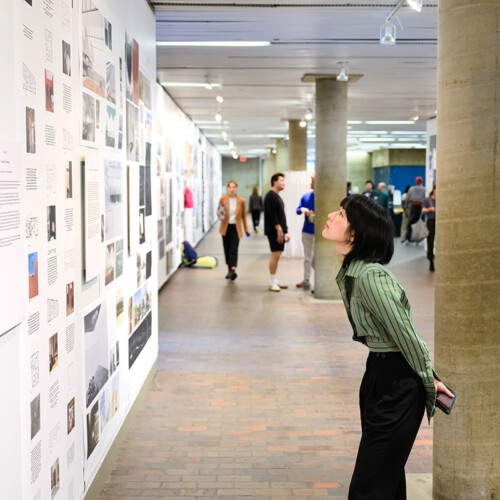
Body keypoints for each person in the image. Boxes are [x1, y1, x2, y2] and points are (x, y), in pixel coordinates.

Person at [322, 194, 453, 500]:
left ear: (355, 233)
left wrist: (429, 381)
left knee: (369, 485)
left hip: (398, 381)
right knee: (386, 476)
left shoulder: (370, 276)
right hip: (379, 374)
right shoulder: (354, 271)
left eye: (341, 214)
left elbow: (406, 334)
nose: (330, 216)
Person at [216, 180, 250, 281]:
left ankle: (233, 270)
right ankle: (229, 270)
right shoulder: (223, 198)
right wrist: (218, 213)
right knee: (227, 249)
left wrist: (246, 229)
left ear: (236, 188)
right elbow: (219, 211)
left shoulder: (241, 200)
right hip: (225, 227)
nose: (232, 189)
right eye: (230, 187)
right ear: (227, 188)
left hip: (236, 227)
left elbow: (244, 216)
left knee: (234, 249)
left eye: (233, 187)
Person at [264, 173, 290, 292]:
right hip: (274, 231)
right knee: (275, 254)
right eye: (281, 180)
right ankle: (271, 281)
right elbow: (271, 215)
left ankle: (274, 280)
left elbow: (281, 215)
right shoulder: (270, 196)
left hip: (280, 230)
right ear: (274, 182)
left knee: (278, 254)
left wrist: (286, 230)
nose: (283, 183)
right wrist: (279, 229)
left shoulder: (277, 196)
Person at [296, 174, 315, 289]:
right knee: (307, 257)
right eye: (311, 181)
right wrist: (302, 209)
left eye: (313, 182)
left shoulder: (323, 198)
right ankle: (306, 279)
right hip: (307, 231)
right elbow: (298, 209)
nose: (311, 184)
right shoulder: (306, 196)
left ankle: (320, 281)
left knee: (317, 258)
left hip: (320, 232)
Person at [403, 176, 426, 244]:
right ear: (421, 181)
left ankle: (407, 239)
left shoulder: (411, 189)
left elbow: (407, 199)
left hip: (413, 206)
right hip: (421, 206)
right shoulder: (424, 189)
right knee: (419, 223)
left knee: (410, 223)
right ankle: (418, 240)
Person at [422, 186, 436, 272]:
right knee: (430, 240)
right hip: (431, 221)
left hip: (440, 221)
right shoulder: (428, 199)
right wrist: (430, 209)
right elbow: (423, 210)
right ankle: (431, 260)